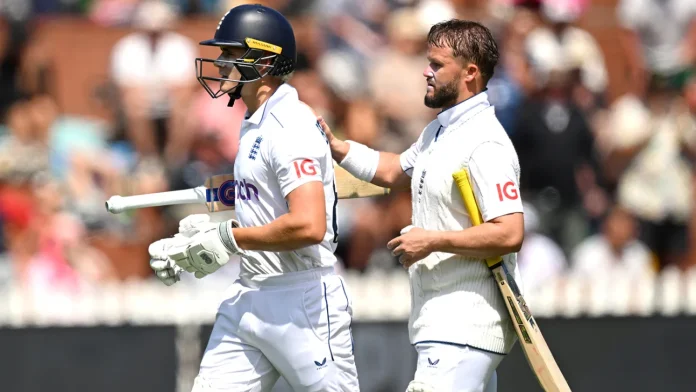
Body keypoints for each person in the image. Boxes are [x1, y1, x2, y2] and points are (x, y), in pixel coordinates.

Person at [147, 4, 359, 391]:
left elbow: (310, 225)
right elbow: (257, 193)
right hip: (249, 295)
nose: (221, 63)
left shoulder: (290, 126)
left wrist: (228, 238)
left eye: (231, 54)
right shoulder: (254, 120)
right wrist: (198, 236)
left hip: (303, 303)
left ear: (263, 61)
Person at [318, 19, 524, 392]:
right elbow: (394, 169)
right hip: (443, 323)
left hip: (464, 324)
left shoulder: (485, 143)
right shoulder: (440, 131)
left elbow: (509, 232)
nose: (426, 72)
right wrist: (338, 147)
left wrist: (432, 240)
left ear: (470, 72)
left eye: (437, 64)